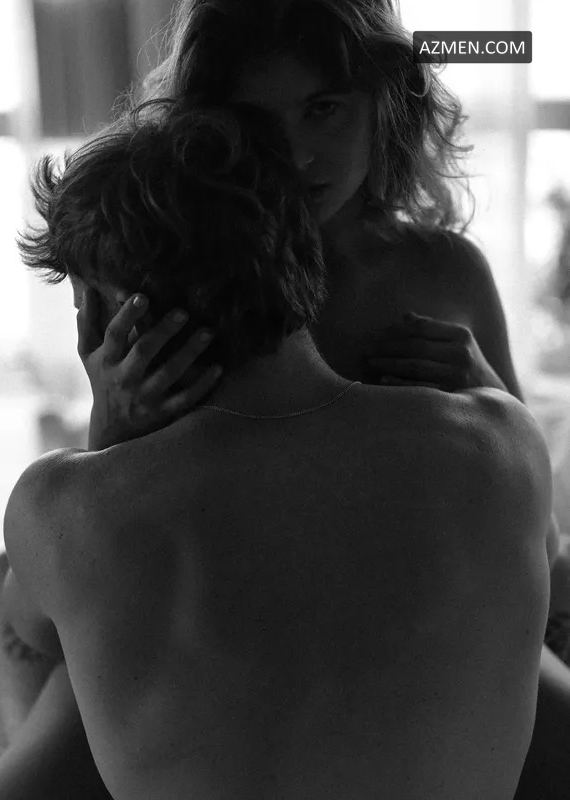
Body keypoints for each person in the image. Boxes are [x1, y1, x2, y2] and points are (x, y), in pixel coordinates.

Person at [0, 99, 552, 800]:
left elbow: (41, 625)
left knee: (27, 602)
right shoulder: (503, 443)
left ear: (98, 317)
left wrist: (109, 446)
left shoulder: (60, 507)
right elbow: (543, 561)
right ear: (303, 261)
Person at [84, 2, 569, 796]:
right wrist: (115, 413)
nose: (295, 152)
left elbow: (530, 525)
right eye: (254, 120)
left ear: (387, 104)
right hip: (238, 619)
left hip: (433, 613)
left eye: (324, 109)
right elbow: (105, 523)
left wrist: (486, 394)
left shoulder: (443, 272)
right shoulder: (181, 280)